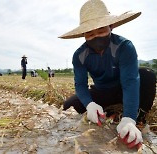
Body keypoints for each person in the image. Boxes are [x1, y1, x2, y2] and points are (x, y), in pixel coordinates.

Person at [59, 0, 156, 149]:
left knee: (147, 75)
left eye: (101, 31)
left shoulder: (124, 47)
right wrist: (89, 104)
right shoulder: (79, 55)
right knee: (69, 105)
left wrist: (129, 118)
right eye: (90, 34)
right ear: (83, 34)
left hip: (123, 88)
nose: (96, 37)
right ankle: (106, 111)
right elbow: (80, 84)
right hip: (102, 91)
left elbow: (130, 82)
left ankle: (138, 119)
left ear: (111, 26)